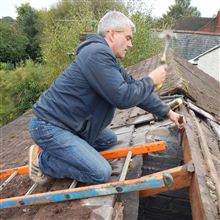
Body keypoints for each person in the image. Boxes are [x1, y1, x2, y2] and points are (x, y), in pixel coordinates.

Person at [28, 11, 185, 185]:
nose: (130, 44)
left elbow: (133, 88)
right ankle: (43, 161)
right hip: (50, 126)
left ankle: (69, 149)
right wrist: (151, 80)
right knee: (100, 172)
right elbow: (123, 97)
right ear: (111, 34)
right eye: (127, 38)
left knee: (109, 139)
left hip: (72, 123)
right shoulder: (96, 54)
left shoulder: (105, 58)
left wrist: (168, 112)